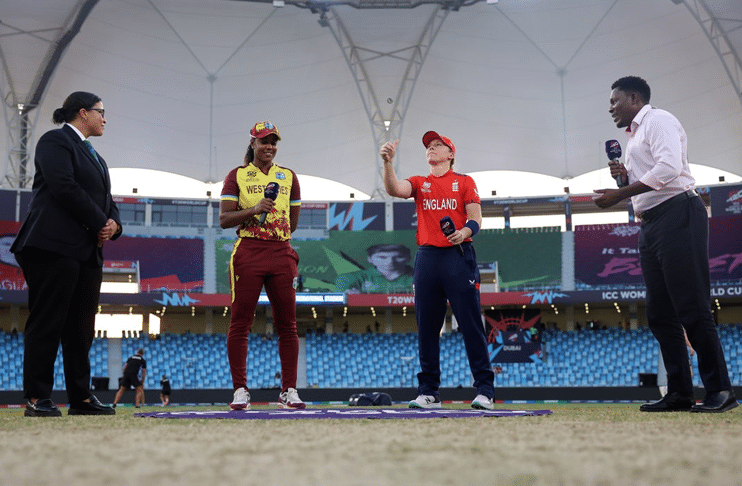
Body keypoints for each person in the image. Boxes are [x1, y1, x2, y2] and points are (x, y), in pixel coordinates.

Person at [594, 75, 737, 413]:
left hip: (678, 212)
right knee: (660, 314)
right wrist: (622, 178)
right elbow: (646, 178)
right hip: (652, 223)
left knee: (692, 305)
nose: (610, 107)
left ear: (633, 98)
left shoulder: (658, 120)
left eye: (615, 101)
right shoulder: (634, 138)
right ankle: (680, 393)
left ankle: (720, 390)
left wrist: (620, 193)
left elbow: (670, 169)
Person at [12, 91, 121, 417]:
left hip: (87, 251)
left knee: (82, 329)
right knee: (47, 322)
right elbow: (64, 187)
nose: (105, 119)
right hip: (52, 246)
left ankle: (81, 398)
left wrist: (113, 224)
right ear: (83, 112)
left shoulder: (96, 157)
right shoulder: (54, 142)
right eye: (102, 112)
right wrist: (100, 221)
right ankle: (37, 397)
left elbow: (107, 200)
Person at [380, 131, 496, 410]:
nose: (430, 149)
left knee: (470, 324)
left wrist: (465, 231)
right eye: (428, 146)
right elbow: (395, 189)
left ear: (450, 154)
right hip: (428, 257)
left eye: (437, 145)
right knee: (427, 328)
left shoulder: (464, 181)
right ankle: (429, 392)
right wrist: (387, 163)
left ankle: (485, 391)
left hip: (458, 255)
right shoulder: (421, 183)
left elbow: (476, 217)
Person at [220, 121, 305, 410]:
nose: (269, 146)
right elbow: (223, 219)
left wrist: (279, 236)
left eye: (273, 141)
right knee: (240, 322)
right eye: (263, 141)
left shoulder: (289, 176)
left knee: (288, 325)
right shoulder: (238, 176)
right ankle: (240, 390)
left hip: (281, 250)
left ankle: (288, 390)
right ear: (252, 144)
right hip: (249, 250)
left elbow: (292, 222)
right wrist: (255, 209)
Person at [334, 244, 414, 293]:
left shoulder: (422, 278)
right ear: (370, 259)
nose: (390, 262)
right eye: (382, 257)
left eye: (398, 257)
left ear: (409, 258)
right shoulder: (348, 278)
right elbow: (338, 300)